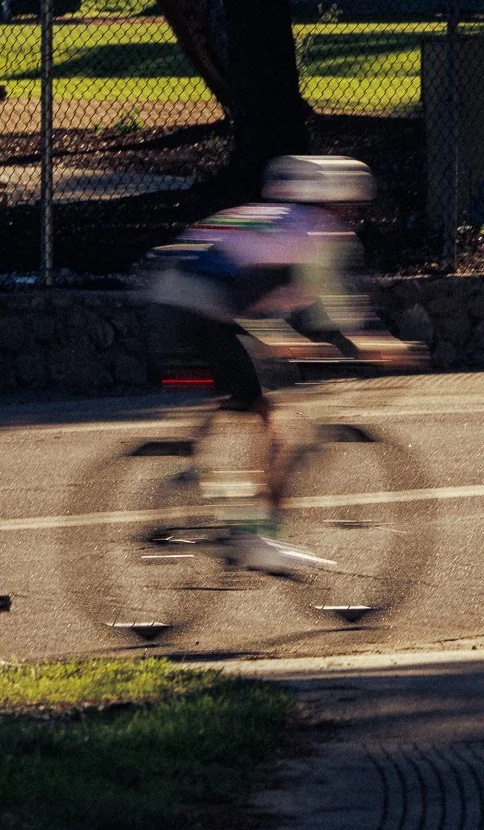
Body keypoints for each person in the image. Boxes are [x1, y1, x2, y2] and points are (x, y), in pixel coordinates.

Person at [142, 154, 426, 576]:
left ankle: (194, 477)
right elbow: (333, 304)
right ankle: (256, 539)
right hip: (202, 311)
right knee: (288, 434)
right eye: (349, 209)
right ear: (335, 204)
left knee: (243, 400)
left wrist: (282, 340)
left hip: (169, 304)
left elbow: (243, 286)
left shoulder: (270, 217)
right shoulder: (316, 230)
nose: (350, 218)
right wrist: (379, 345)